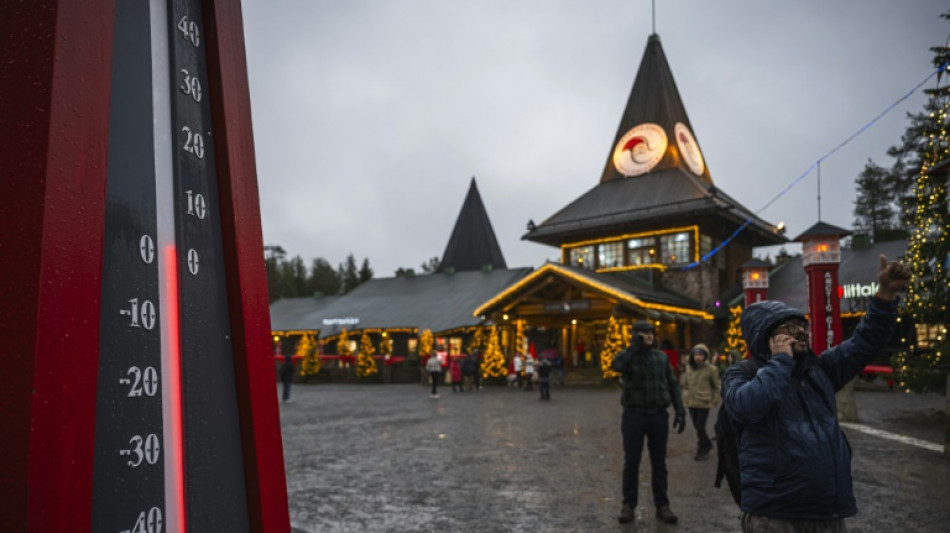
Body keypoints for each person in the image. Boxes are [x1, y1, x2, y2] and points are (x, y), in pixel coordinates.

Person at [722, 255, 910, 533]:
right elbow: (747, 407)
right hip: (773, 515)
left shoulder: (820, 369)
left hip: (828, 512)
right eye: (788, 328)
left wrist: (885, 295)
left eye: (802, 326)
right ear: (765, 336)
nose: (799, 333)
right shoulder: (741, 374)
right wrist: (780, 362)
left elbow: (864, 343)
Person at [611, 320, 686, 525]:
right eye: (644, 332)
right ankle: (628, 505)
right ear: (636, 335)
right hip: (634, 415)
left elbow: (672, 384)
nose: (649, 335)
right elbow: (615, 365)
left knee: (659, 463)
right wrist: (634, 347)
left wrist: (680, 410)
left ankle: (662, 505)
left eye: (651, 332)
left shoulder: (661, 358)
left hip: (658, 416)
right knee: (632, 462)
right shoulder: (629, 357)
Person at [679, 343, 720, 461]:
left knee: (700, 427)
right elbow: (683, 383)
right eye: (696, 354)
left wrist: (714, 401)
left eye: (701, 355)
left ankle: (704, 447)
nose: (698, 357)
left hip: (703, 402)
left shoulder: (711, 369)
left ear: (705, 356)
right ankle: (705, 444)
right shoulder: (688, 367)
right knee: (697, 427)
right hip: (691, 402)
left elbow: (717, 387)